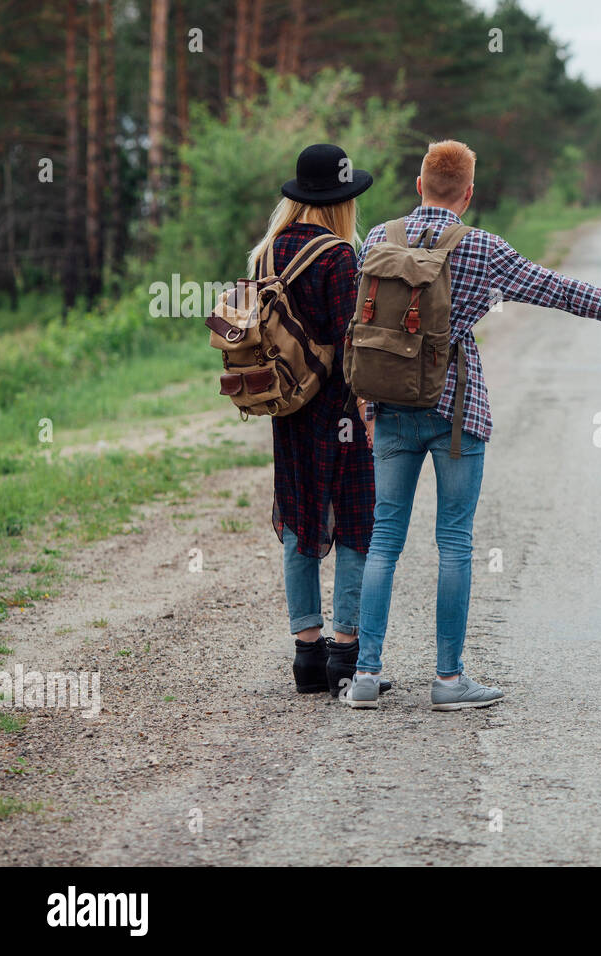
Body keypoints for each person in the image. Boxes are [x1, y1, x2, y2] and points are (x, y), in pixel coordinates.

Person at [342, 139, 601, 710]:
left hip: (391, 407)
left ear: (418, 186)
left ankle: (366, 677)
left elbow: (366, 324)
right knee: (453, 543)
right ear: (469, 195)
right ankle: (448, 681)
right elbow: (562, 292)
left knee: (384, 540)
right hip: (456, 417)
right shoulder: (483, 250)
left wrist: (367, 405)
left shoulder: (379, 238)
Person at [248, 143, 385, 698]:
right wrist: (369, 412)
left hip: (287, 409)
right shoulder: (339, 257)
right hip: (338, 411)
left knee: (301, 521)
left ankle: (305, 655)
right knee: (354, 525)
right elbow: (351, 345)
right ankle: (344, 654)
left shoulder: (267, 253)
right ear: (343, 201)